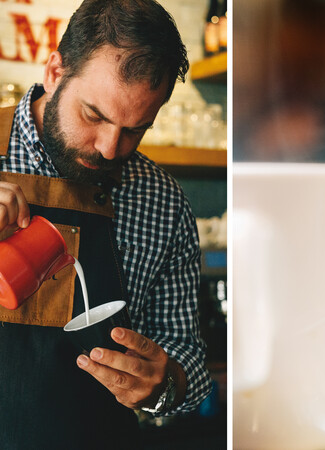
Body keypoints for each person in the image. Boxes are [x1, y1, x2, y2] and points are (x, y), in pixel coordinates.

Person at [0, 0, 211, 448]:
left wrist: (164, 384)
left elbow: (187, 356)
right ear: (55, 72)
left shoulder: (162, 202)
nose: (111, 148)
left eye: (137, 129)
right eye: (93, 115)